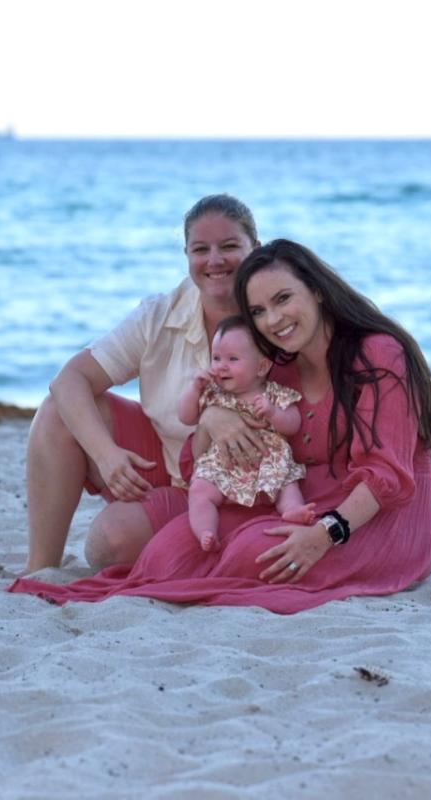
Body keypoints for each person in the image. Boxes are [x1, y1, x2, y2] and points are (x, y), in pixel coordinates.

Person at [11, 239, 431, 613]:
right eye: (258, 310)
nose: (273, 320)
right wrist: (213, 418)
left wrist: (325, 534)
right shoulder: (279, 367)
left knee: (253, 554)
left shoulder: (377, 355)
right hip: (294, 500)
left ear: (316, 290)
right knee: (168, 554)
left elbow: (386, 475)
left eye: (283, 299)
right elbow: (210, 455)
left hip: (375, 518)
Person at [22, 194, 272, 573]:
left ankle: (188, 538)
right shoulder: (160, 313)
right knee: (58, 410)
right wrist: (107, 455)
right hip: (168, 466)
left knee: (111, 543)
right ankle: (40, 567)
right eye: (200, 249)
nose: (215, 260)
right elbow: (69, 380)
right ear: (187, 256)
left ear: (257, 248)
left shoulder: (279, 313)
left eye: (230, 246)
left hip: (246, 488)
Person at [179, 314, 313, 552]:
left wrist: (273, 413)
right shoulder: (212, 393)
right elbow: (186, 417)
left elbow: (293, 423)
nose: (221, 366)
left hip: (270, 464)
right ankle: (206, 531)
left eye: (232, 359)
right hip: (224, 467)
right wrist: (193, 388)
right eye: (216, 358)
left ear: (262, 366)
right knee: (200, 490)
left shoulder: (274, 394)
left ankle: (292, 510)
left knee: (289, 486)